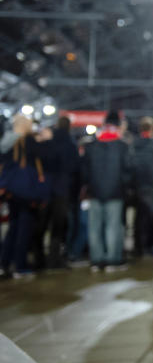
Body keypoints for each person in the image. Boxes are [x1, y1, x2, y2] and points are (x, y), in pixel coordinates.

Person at [0, 115, 53, 279]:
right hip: (25, 192)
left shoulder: (6, 142)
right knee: (23, 229)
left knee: (13, 228)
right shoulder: (27, 142)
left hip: (10, 190)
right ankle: (20, 266)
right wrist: (47, 139)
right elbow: (46, 157)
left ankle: (3, 263)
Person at [81, 111, 133, 273]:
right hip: (115, 192)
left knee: (94, 227)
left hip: (95, 192)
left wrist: (89, 186)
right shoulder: (122, 146)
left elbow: (84, 171)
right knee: (113, 227)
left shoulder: (91, 146)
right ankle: (113, 260)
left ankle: (96, 260)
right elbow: (128, 170)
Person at [33, 116, 78, 270]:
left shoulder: (47, 143)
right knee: (58, 228)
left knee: (41, 225)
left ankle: (39, 259)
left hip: (45, 189)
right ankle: (55, 259)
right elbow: (74, 168)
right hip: (63, 190)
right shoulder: (70, 145)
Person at [131, 116, 153, 256]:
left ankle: (138, 246)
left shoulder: (133, 145)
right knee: (152, 217)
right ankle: (149, 245)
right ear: (152, 129)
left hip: (137, 186)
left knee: (139, 217)